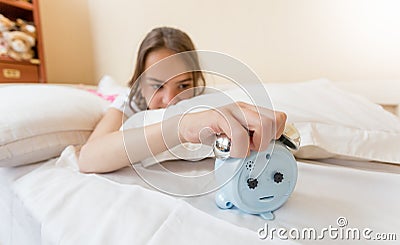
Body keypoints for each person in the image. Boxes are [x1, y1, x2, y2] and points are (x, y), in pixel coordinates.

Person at [78, 27, 287, 173]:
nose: (170, 99)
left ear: (195, 82)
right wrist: (180, 127)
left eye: (183, 85)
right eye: (157, 86)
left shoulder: (203, 98)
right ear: (139, 84)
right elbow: (88, 158)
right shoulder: (128, 104)